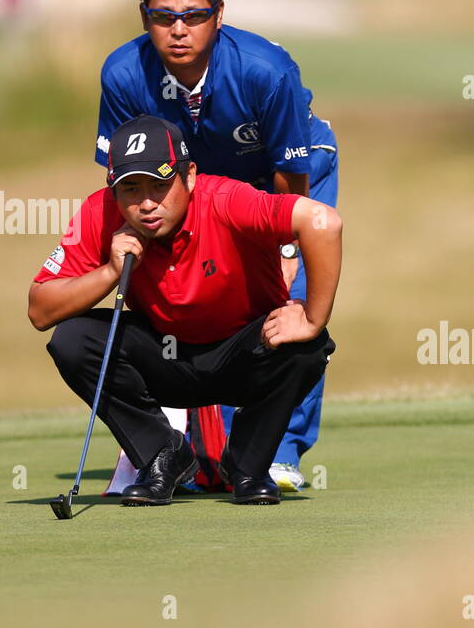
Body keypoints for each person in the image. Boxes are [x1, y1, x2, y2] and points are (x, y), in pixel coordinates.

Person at [95, 0, 338, 493]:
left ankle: (280, 451)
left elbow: (288, 183)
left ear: (219, 14)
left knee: (289, 306)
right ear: (144, 17)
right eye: (163, 17)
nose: (178, 30)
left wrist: (285, 254)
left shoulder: (265, 71)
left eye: (195, 16)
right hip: (188, 182)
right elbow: (120, 179)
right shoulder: (122, 73)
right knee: (199, 296)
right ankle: (189, 445)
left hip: (284, 175)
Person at [29, 116, 341, 506]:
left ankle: (248, 464)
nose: (145, 203)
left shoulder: (227, 199)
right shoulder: (100, 212)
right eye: (130, 188)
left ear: (189, 176)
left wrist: (313, 317)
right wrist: (109, 271)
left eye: (160, 185)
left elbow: (324, 222)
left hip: (245, 354)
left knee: (309, 347)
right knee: (73, 339)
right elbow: (41, 310)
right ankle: (163, 454)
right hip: (166, 357)